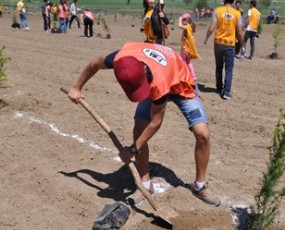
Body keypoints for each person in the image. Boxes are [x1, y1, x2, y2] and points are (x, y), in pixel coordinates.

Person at [67, 42, 221, 206]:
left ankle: (199, 186)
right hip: (154, 78)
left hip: (179, 82)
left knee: (202, 134)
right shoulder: (120, 59)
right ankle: (145, 185)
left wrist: (133, 149)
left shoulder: (158, 80)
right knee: (139, 127)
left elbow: (156, 122)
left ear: (144, 72)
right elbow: (95, 62)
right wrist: (77, 87)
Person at [203, 0, 244, 100]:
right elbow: (239, 33)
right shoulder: (237, 13)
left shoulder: (217, 11)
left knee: (219, 66)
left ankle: (218, 87)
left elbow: (211, 28)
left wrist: (206, 38)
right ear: (233, 1)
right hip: (230, 44)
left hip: (218, 43)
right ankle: (226, 91)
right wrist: (242, 45)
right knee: (229, 69)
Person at [179, 12, 199, 82]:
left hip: (185, 48)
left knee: (183, 61)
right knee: (188, 62)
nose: (182, 22)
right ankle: (193, 76)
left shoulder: (187, 27)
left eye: (183, 20)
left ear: (186, 20)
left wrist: (180, 18)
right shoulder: (190, 27)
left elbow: (179, 26)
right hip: (188, 48)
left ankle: (184, 75)